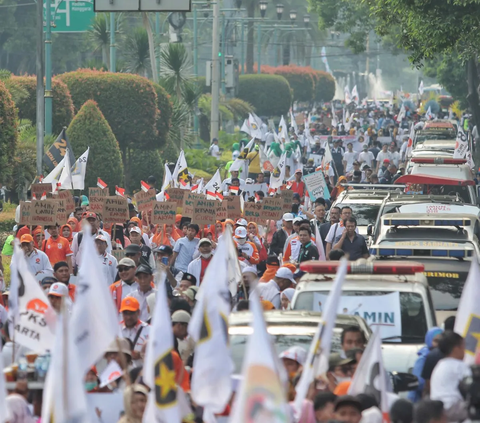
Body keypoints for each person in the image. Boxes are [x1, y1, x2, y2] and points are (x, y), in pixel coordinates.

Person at [430, 331, 470, 422]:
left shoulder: (439, 365)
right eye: (463, 347)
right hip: (453, 409)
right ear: (456, 349)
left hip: (437, 411)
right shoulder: (459, 366)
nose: (464, 351)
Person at [421, 316, 456, 396]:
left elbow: (427, 383)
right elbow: (427, 383)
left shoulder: (432, 355)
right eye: (435, 340)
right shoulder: (430, 356)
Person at [408, 327, 443, 403]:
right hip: (417, 401)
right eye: (436, 341)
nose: (439, 344)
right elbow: (419, 382)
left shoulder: (440, 357)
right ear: (429, 340)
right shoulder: (423, 358)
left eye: (441, 341)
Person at [120, 297, 150, 363]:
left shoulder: (149, 330)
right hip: (121, 372)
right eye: (125, 313)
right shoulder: (116, 329)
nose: (128, 317)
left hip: (142, 371)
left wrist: (141, 355)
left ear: (138, 312)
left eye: (131, 313)